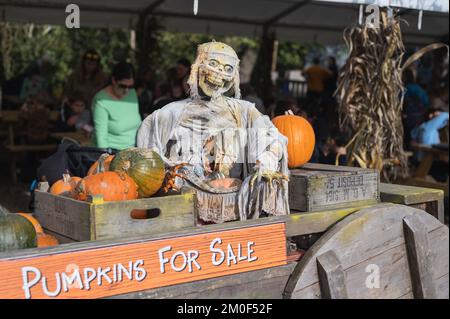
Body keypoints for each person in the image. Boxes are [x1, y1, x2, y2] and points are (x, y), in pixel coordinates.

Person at [91, 62, 142, 150]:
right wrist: (106, 160)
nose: (126, 91)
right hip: (113, 154)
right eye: (123, 86)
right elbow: (101, 139)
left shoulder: (132, 93)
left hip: (135, 150)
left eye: (130, 86)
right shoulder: (101, 101)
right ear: (114, 80)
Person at [411, 108, 449, 182]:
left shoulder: (429, 129)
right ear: (431, 116)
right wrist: (439, 114)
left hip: (429, 161)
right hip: (426, 162)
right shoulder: (428, 127)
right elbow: (445, 115)